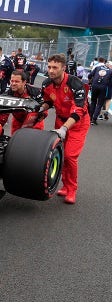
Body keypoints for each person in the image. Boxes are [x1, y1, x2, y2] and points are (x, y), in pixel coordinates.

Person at [39, 54, 90, 204]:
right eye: (49, 67)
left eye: (55, 67)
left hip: (77, 124)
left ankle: (72, 189)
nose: (51, 70)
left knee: (70, 156)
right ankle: (66, 185)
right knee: (60, 155)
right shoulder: (46, 83)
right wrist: (41, 108)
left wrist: (64, 129)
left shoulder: (75, 84)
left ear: (63, 68)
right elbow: (48, 101)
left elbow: (78, 110)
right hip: (60, 121)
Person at [0, 70, 46, 135]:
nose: (13, 84)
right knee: (14, 142)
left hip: (35, 123)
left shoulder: (35, 92)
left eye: (17, 81)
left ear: (24, 82)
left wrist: (40, 115)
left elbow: (44, 109)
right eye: (12, 81)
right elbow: (3, 114)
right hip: (17, 121)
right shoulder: (8, 94)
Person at [87, 57, 112, 125]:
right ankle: (94, 119)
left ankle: (90, 118)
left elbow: (89, 75)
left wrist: (90, 82)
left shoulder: (98, 68)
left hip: (94, 86)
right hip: (103, 88)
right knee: (100, 104)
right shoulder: (110, 71)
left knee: (93, 102)